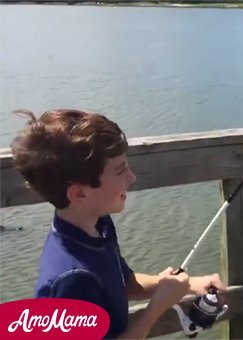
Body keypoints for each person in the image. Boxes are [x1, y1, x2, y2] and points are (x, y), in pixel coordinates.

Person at [10, 109, 226, 339]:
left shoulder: (97, 225)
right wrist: (156, 309)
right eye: (120, 171)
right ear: (79, 193)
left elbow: (127, 284)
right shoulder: (75, 280)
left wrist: (185, 284)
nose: (131, 178)